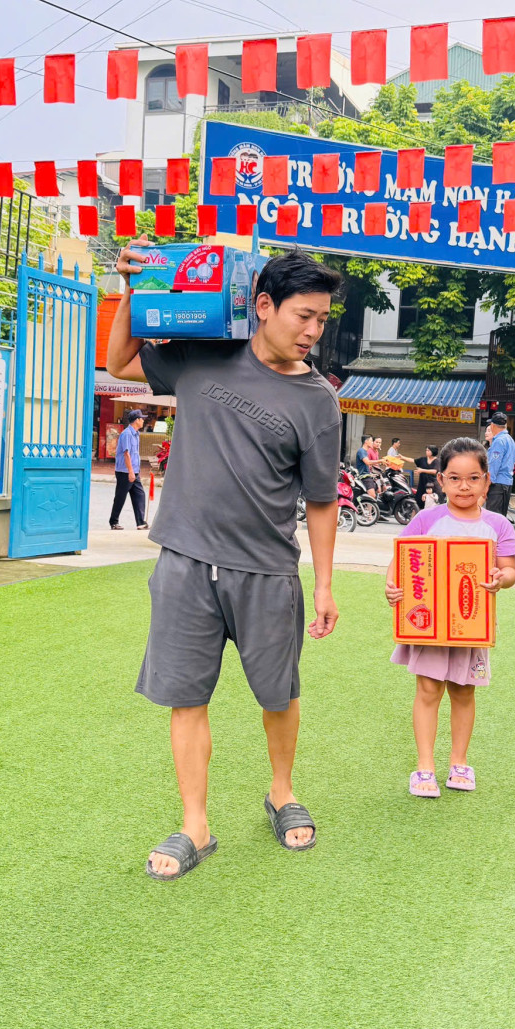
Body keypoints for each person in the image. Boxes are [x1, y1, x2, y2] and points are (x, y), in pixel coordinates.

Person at [107, 240, 342, 881]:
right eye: (304, 315)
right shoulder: (202, 355)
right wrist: (132, 289)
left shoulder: (317, 401)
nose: (313, 331)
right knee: (186, 697)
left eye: (322, 320)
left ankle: (282, 792)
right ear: (263, 306)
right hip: (184, 562)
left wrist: (324, 584)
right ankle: (195, 825)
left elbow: (321, 501)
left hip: (267, 571)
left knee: (278, 693)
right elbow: (119, 360)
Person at [385, 437, 515, 798]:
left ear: (487, 481)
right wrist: (392, 588)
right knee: (428, 689)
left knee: (463, 690)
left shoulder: (498, 526)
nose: (464, 486)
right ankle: (425, 767)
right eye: (455, 478)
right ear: (441, 480)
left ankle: (459, 762)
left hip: (470, 626)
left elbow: (509, 571)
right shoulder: (427, 519)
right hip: (429, 627)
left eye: (474, 478)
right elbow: (402, 560)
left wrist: (500, 579)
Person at [110, 409, 149, 531]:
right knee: (120, 497)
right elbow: (126, 454)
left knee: (139, 495)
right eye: (142, 419)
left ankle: (140, 522)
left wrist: (136, 471)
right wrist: (131, 471)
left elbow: (134, 454)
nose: (143, 421)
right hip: (125, 472)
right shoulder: (126, 434)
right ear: (137, 420)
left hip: (133, 471)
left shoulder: (136, 434)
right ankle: (114, 522)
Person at [485, 412, 515, 517]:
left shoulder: (498, 441)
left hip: (497, 484)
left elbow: (494, 465)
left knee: (493, 517)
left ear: (492, 425)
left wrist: (487, 484)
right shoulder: (510, 440)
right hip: (506, 483)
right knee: (501, 517)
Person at [413, 443, 441, 508]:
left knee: (432, 502)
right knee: (419, 501)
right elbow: (413, 460)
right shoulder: (423, 459)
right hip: (422, 483)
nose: (426, 451)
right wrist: (402, 457)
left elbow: (434, 471)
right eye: (426, 450)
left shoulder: (437, 461)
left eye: (428, 450)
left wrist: (422, 470)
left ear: (433, 452)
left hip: (432, 484)